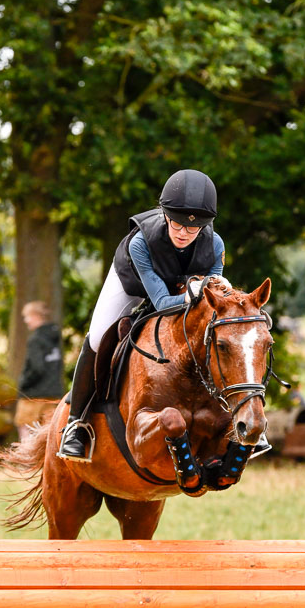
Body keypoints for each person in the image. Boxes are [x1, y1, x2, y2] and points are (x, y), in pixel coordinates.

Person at [58, 168, 271, 462]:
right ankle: (76, 423)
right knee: (97, 336)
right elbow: (160, 302)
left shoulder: (215, 243)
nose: (184, 232)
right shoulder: (140, 243)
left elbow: (212, 295)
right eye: (177, 224)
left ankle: (243, 413)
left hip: (184, 288)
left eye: (192, 228)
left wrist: (217, 288)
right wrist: (194, 291)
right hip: (134, 284)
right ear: (165, 215)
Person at [15, 301, 64, 441]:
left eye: (27, 316)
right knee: (48, 433)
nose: (26, 320)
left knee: (26, 430)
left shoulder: (36, 340)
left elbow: (37, 368)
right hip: (54, 394)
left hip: (33, 396)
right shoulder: (55, 338)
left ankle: (29, 462)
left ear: (36, 316)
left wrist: (23, 384)